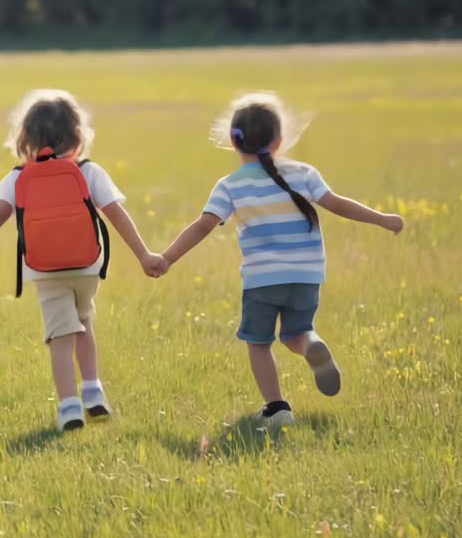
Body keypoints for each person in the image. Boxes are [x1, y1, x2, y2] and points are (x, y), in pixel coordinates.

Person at [160, 93, 404, 427]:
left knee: (258, 343)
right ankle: (311, 344)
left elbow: (202, 226)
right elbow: (337, 203)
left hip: (262, 279)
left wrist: (167, 258)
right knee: (295, 334)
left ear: (233, 141)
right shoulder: (304, 173)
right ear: (280, 140)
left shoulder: (230, 185)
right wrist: (382, 219)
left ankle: (277, 408)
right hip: (306, 275)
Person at [0, 89, 168, 432]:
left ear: (26, 138)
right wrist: (144, 254)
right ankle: (93, 390)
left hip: (45, 270)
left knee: (60, 335)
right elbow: (116, 214)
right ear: (77, 135)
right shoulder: (88, 172)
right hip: (87, 266)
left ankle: (69, 405)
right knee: (83, 321)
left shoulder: (18, 177)